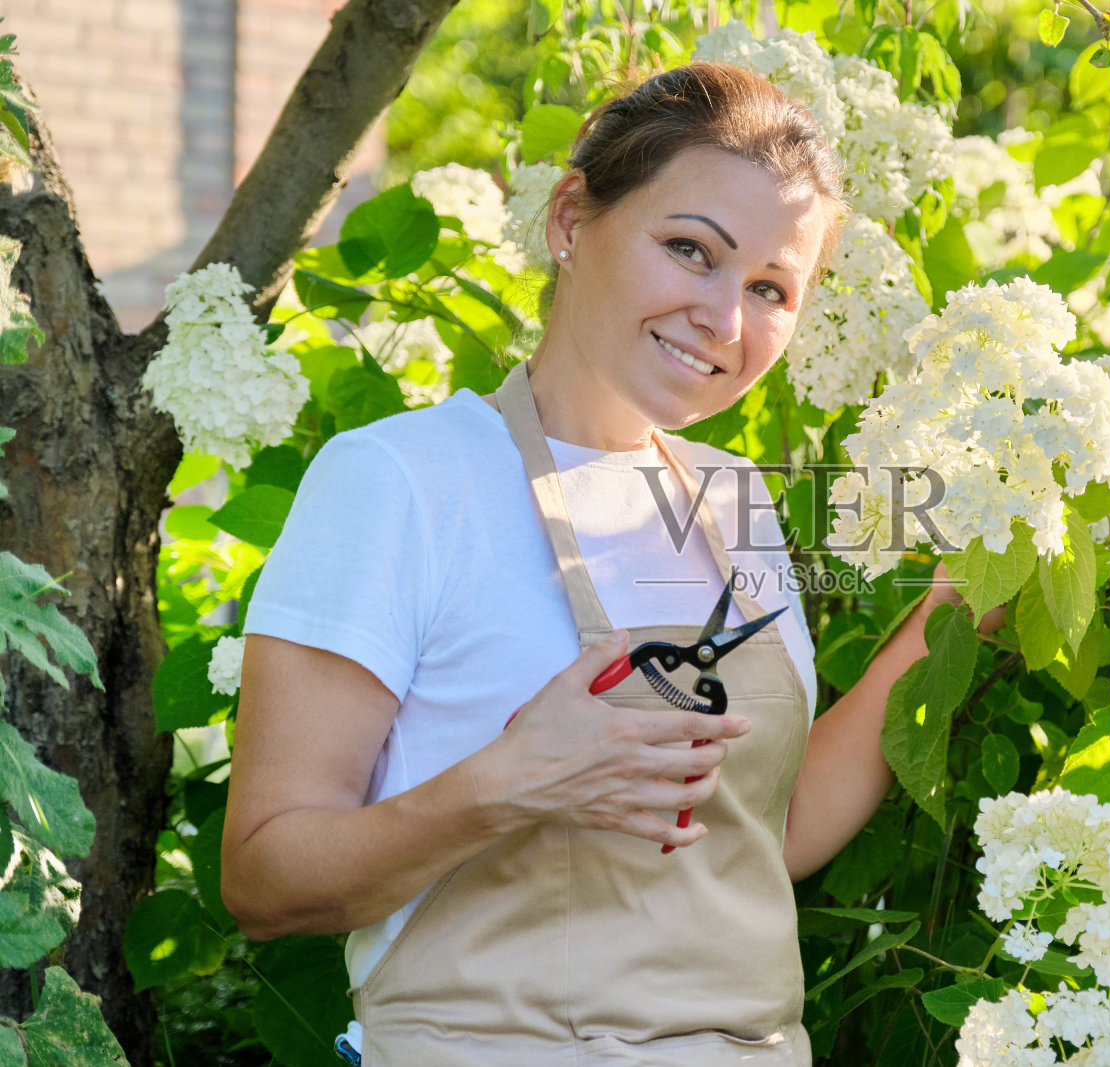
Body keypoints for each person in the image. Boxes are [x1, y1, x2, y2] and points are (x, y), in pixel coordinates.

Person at [221, 61, 997, 1066]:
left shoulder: (735, 499)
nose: (724, 319)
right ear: (570, 220)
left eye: (770, 288)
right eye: (690, 250)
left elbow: (768, 829)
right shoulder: (400, 479)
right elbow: (265, 881)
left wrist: (957, 603)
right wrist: (505, 785)